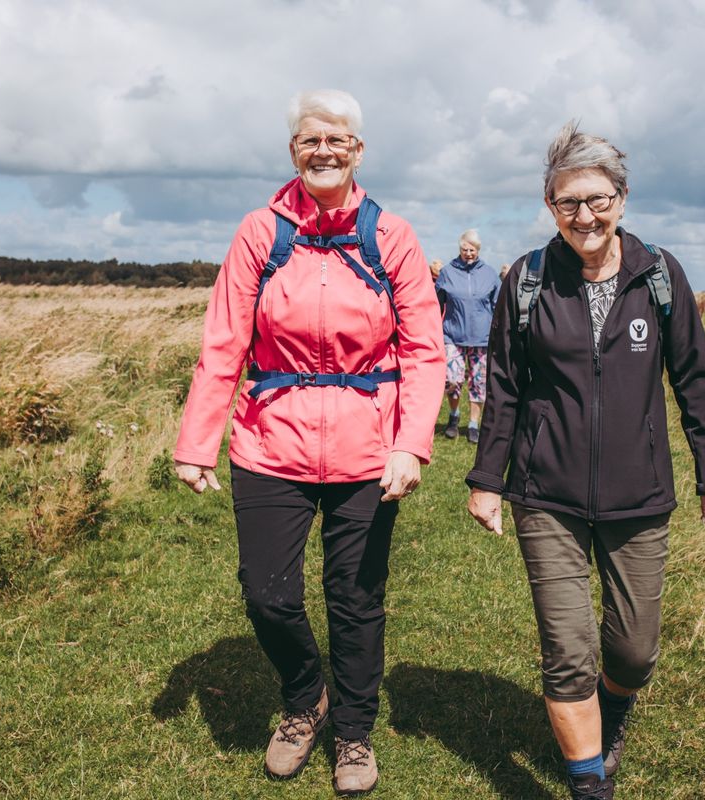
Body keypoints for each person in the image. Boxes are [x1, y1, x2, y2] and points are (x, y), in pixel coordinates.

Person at [173, 89, 444, 796]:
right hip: (270, 442)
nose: (323, 150)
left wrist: (412, 444)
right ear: (292, 150)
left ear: (358, 149)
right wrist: (197, 443)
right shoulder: (260, 233)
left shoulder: (393, 237)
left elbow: (423, 350)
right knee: (266, 595)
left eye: (337, 139)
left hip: (366, 447)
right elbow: (225, 340)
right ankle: (305, 699)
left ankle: (353, 732)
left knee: (356, 600)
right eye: (309, 140)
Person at [465, 122, 705, 800]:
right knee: (568, 650)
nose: (583, 216)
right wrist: (486, 482)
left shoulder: (659, 277)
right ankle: (589, 784)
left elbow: (695, 379)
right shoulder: (526, 281)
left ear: (621, 198)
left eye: (596, 199)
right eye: (566, 203)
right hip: (545, 491)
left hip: (638, 495)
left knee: (634, 652)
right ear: (550, 207)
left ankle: (612, 711)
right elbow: (503, 388)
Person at [434, 229, 500, 444]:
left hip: (481, 338)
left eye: (472, 250)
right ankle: (453, 417)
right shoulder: (447, 272)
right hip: (452, 336)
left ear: (478, 250)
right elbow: (436, 303)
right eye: (465, 249)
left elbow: (498, 305)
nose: (468, 253)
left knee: (478, 383)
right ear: (459, 249)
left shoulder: (489, 274)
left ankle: (473, 424)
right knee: (452, 380)